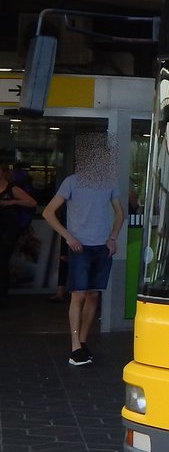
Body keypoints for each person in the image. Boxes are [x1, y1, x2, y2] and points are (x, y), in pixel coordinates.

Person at [41, 134, 124, 366]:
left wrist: (113, 238)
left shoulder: (108, 182)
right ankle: (75, 346)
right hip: (80, 247)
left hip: (101, 247)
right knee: (78, 294)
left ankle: (83, 342)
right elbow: (48, 212)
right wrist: (69, 237)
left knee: (93, 295)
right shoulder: (71, 182)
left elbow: (120, 213)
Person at [0, 161, 38, 305]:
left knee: (2, 262)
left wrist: (11, 202)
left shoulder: (12, 188)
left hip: (7, 232)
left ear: (4, 172)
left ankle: (3, 295)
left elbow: (32, 202)